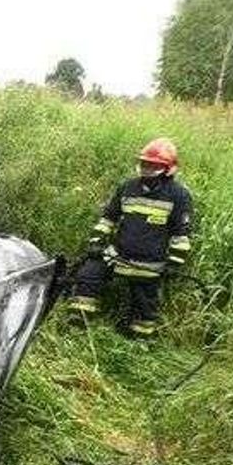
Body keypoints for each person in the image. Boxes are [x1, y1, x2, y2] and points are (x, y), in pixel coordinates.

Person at [69, 138, 193, 337]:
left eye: (154, 165)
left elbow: (181, 234)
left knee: (145, 306)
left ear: (168, 169)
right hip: (117, 255)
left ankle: (140, 340)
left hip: (149, 264)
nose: (147, 169)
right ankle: (77, 326)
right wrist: (96, 243)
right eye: (145, 163)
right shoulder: (128, 187)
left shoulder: (178, 195)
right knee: (88, 275)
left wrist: (174, 263)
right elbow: (108, 218)